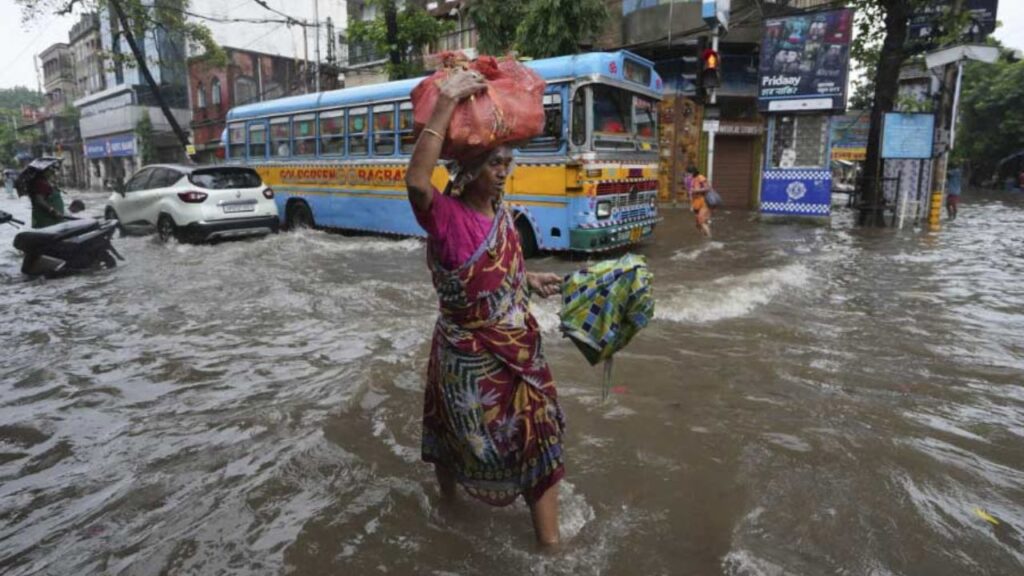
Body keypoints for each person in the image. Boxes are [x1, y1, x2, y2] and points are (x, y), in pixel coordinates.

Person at [405, 69, 566, 547]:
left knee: (540, 430)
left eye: (508, 162)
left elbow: (496, 268)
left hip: (516, 354)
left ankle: (551, 547)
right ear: (470, 169)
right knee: (456, 438)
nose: (505, 170)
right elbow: (416, 181)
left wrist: (529, 279)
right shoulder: (445, 216)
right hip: (466, 359)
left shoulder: (500, 214)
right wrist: (445, 104)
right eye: (496, 162)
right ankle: (450, 515)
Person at [686, 165, 712, 237]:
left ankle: (709, 240)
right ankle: (705, 236)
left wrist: (697, 190)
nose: (688, 175)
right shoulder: (691, 180)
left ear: (693, 172)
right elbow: (690, 192)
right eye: (687, 173)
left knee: (701, 221)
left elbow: (708, 188)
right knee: (698, 224)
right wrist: (691, 204)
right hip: (695, 203)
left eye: (689, 173)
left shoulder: (700, 177)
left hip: (703, 201)